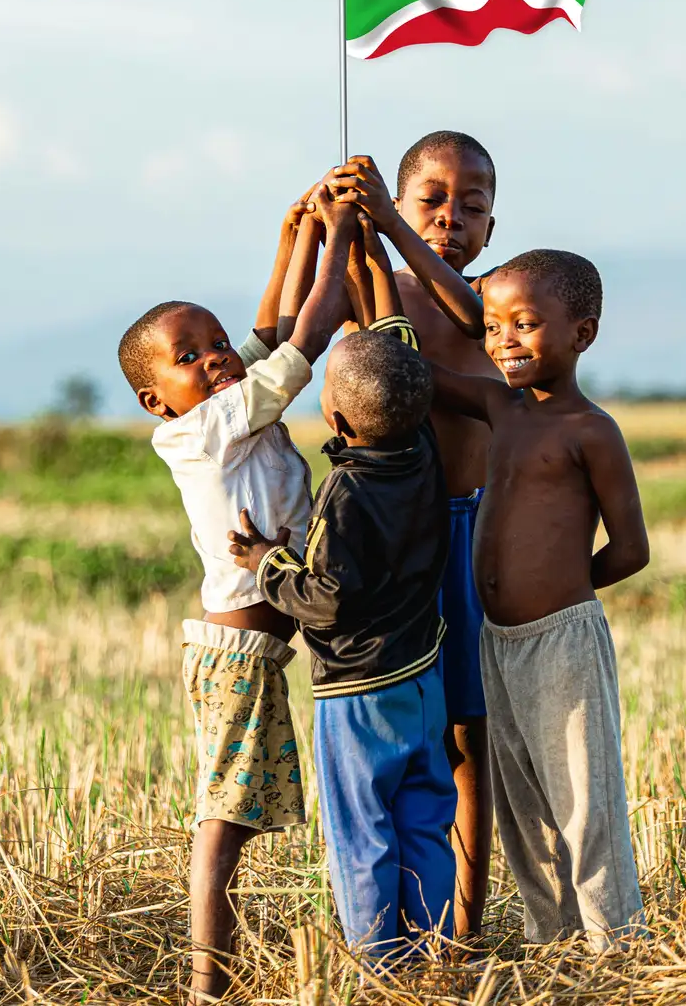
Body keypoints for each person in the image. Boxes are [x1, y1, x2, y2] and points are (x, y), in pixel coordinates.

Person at [116, 186, 357, 1003]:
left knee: (236, 811)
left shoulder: (219, 400)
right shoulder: (203, 429)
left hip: (253, 646)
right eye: (190, 357)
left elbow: (264, 335)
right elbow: (305, 338)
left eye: (214, 343)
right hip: (239, 657)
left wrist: (293, 238)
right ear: (157, 401)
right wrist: (341, 238)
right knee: (224, 817)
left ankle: (213, 967)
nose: (215, 358)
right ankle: (204, 978)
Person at [227, 222, 457, 958]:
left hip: (359, 693)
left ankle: (377, 963)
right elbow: (396, 339)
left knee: (363, 833)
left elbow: (322, 595)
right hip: (424, 677)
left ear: (335, 418)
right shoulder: (424, 451)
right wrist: (369, 242)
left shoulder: (346, 495)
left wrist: (266, 559)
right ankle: (428, 949)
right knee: (424, 817)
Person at [420, 247, 650, 950]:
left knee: (583, 799)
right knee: (522, 803)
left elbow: (631, 548)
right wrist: (373, 247)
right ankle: (550, 942)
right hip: (499, 640)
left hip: (563, 639)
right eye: (493, 328)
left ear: (581, 334)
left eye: (524, 324)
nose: (503, 341)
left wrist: (562, 589)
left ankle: (614, 946)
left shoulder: (591, 431)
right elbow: (415, 371)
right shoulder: (499, 406)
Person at [328, 133, 497, 937]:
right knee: (417, 735)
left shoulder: (496, 297)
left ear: (492, 229)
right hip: (403, 543)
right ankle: (397, 924)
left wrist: (393, 224)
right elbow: (314, 328)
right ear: (402, 197)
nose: (450, 217)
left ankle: (463, 930)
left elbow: (469, 315)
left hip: (474, 530)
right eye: (432, 198)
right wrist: (335, 229)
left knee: (470, 735)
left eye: (472, 205)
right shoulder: (380, 286)